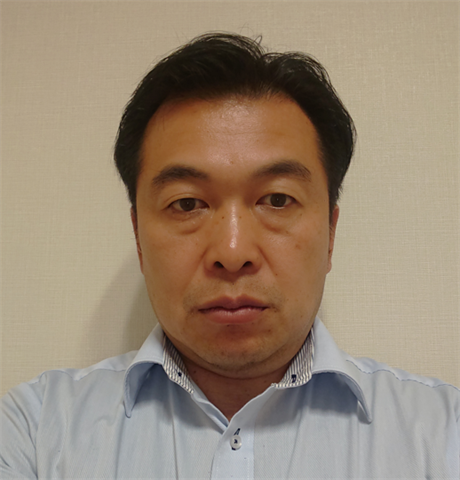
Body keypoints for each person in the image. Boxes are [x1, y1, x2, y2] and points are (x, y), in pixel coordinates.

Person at [1, 33, 458, 480]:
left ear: (331, 233)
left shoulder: (443, 433)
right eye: (187, 203)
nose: (233, 252)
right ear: (138, 237)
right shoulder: (33, 433)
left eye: (277, 200)